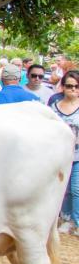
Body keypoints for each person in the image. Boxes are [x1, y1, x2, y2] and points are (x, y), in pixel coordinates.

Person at [53, 71, 79, 236]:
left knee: (76, 188)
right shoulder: (54, 106)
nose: (73, 89)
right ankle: (66, 217)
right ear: (63, 87)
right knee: (64, 189)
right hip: (58, 154)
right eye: (69, 86)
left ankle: (77, 221)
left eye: (77, 86)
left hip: (77, 154)